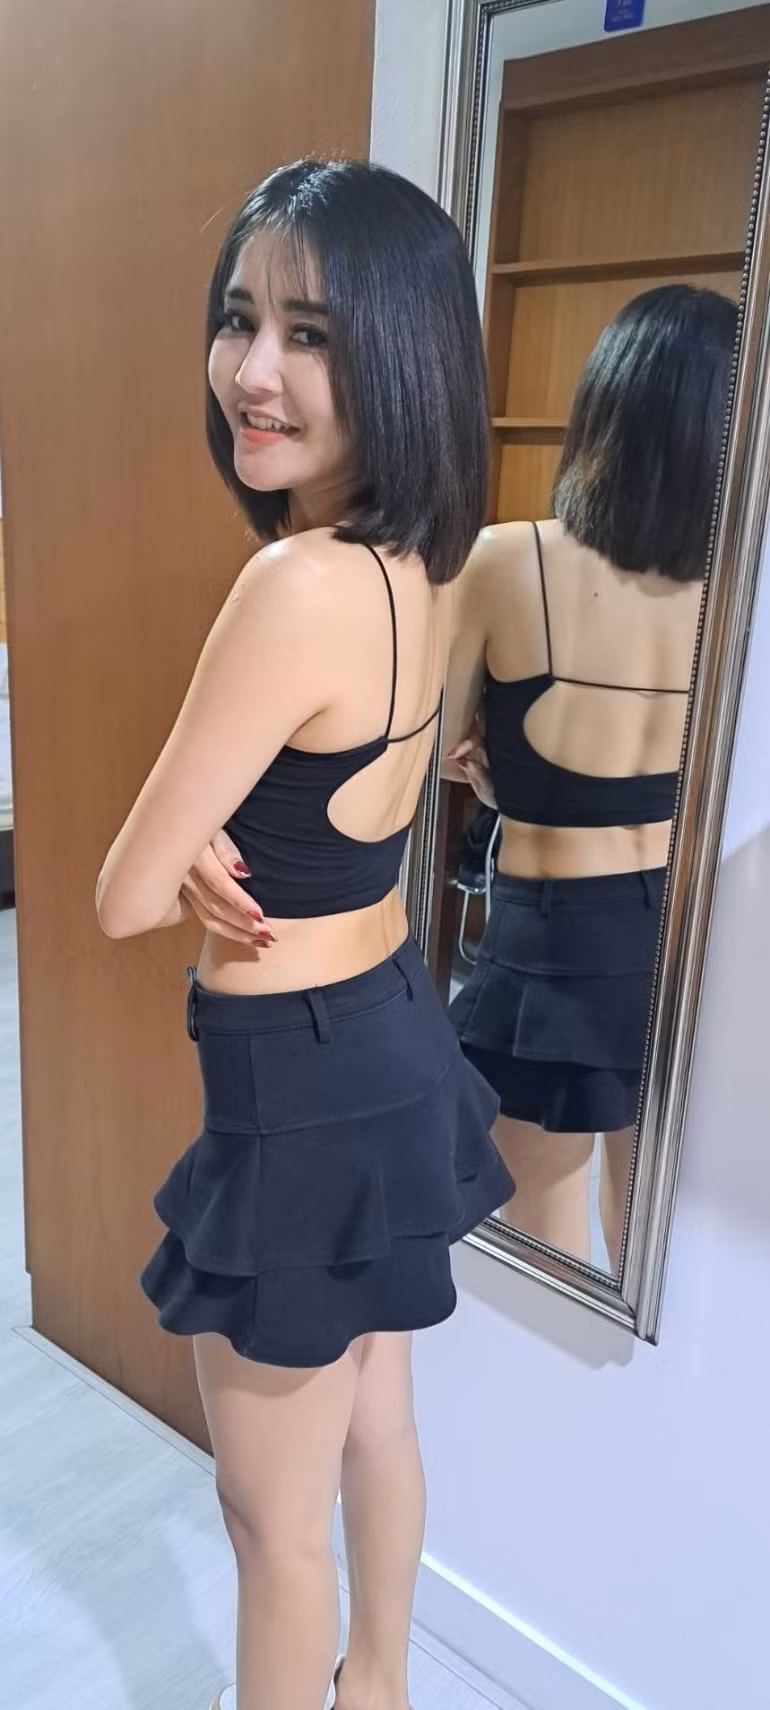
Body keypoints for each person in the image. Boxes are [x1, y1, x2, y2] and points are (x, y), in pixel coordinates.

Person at [96, 159, 513, 1710]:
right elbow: (337, 810)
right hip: (392, 1027)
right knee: (375, 1420)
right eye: (238, 320)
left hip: (299, 1081)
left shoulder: (291, 580)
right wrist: (217, 833)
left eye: (311, 333)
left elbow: (122, 893)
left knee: (270, 1528)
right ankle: (378, 1686)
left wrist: (183, 841)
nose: (251, 371)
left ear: (400, 353)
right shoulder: (428, 561)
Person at [442, 285, 737, 1271]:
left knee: (542, 1259)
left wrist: (506, 786)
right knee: (650, 1248)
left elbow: (438, 748)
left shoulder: (505, 559)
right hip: (684, 936)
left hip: (554, 943)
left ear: (603, 407)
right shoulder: (736, 590)